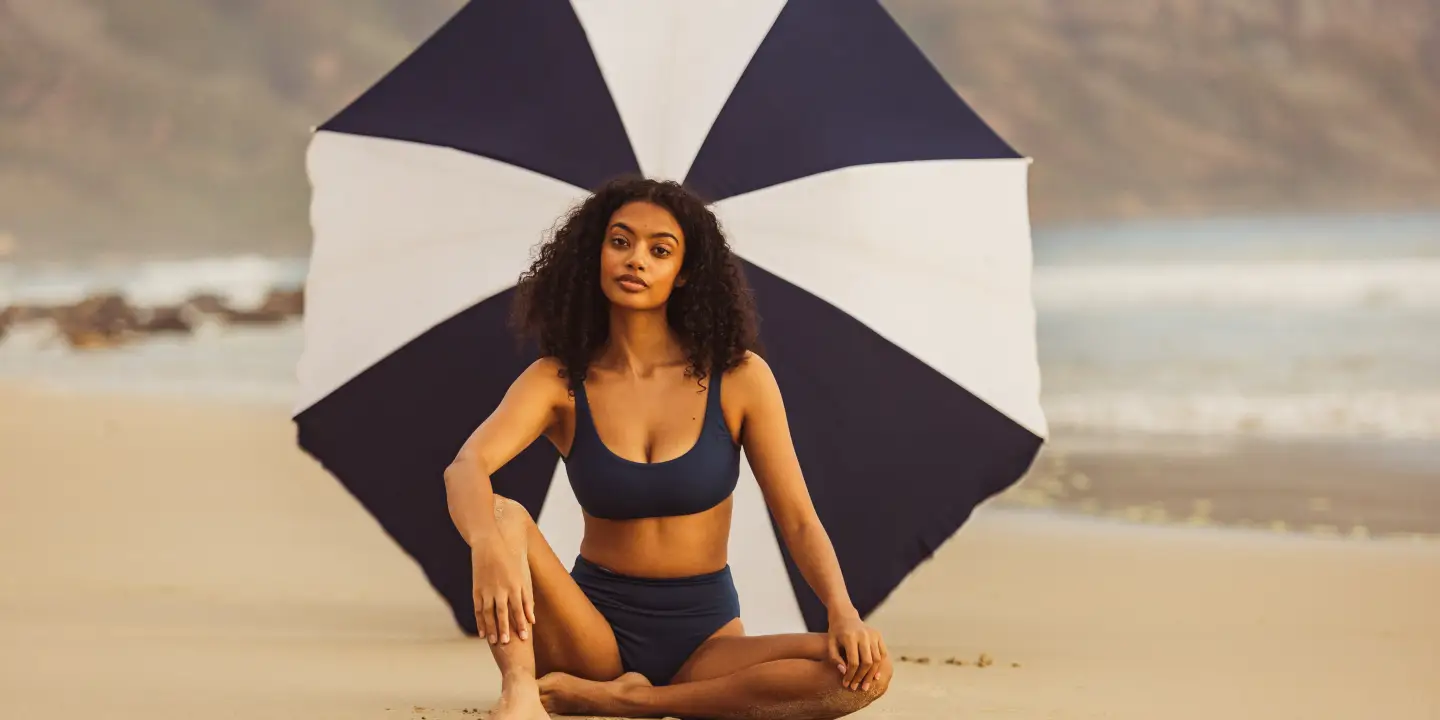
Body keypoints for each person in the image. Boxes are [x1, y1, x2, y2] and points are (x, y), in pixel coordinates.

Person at [443, 177, 892, 720]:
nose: (637, 260)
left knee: (862, 673)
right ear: (596, 254)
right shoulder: (558, 381)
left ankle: (633, 702)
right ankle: (520, 691)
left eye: (660, 250)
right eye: (621, 241)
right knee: (502, 515)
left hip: (707, 643)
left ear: (684, 275)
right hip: (592, 637)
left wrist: (841, 612)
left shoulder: (740, 377)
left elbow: (797, 518)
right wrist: (487, 543)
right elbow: (467, 465)